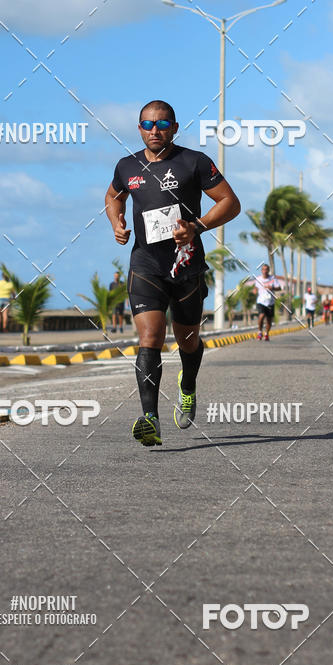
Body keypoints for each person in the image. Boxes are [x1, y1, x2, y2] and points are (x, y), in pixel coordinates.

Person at [105, 99, 240, 447]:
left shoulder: (193, 162)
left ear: (175, 128)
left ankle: (188, 383)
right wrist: (116, 221)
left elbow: (230, 202)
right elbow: (113, 196)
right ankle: (150, 417)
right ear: (138, 129)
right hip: (145, 265)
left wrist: (195, 226)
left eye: (162, 124)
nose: (154, 131)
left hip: (186, 266)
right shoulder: (127, 166)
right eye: (147, 125)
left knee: (188, 341)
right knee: (149, 338)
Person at [253, 263, 281, 341]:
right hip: (261, 301)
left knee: (269, 320)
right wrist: (254, 290)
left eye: (266, 269)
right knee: (261, 315)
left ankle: (266, 334)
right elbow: (255, 287)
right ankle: (259, 332)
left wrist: (272, 287)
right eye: (263, 269)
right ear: (261, 271)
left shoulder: (273, 279)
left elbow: (279, 288)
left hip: (270, 302)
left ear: (268, 270)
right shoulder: (258, 279)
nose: (265, 271)